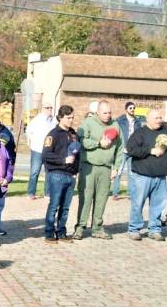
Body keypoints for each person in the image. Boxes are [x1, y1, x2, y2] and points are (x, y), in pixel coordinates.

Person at [126, 108, 167, 241]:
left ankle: (154, 229)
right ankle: (134, 229)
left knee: (158, 205)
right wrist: (150, 150)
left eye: (160, 118)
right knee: (138, 204)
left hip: (160, 176)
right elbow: (131, 149)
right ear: (148, 119)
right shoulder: (140, 133)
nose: (159, 120)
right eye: (156, 118)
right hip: (142, 175)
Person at [74, 101, 123, 240]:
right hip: (89, 166)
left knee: (101, 199)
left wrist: (116, 167)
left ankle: (97, 228)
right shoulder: (88, 123)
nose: (108, 115)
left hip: (106, 168)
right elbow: (81, 141)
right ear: (98, 112)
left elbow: (120, 148)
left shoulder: (115, 125)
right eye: (105, 113)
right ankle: (80, 227)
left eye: (109, 112)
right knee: (86, 198)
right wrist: (98, 143)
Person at [42, 105, 80, 244]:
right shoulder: (53, 134)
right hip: (57, 174)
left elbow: (78, 153)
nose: (71, 120)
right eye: (68, 118)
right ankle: (49, 233)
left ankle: (62, 232)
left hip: (70, 175)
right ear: (60, 117)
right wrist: (63, 160)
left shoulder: (73, 134)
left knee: (65, 207)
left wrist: (76, 171)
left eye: (72, 117)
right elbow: (46, 155)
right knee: (54, 205)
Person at [0, 105, 16, 236]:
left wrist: (8, 175)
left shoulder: (5, 132)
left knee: (0, 205)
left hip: (3, 176)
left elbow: (10, 154)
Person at [112, 101, 144, 200]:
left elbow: (140, 135)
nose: (133, 110)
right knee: (119, 171)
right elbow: (116, 132)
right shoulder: (120, 120)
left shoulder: (138, 122)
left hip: (132, 150)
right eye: (130, 108)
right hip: (122, 149)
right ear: (126, 109)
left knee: (131, 173)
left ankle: (130, 192)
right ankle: (115, 193)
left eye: (134, 108)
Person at [26, 102, 56, 200]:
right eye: (47, 108)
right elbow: (28, 131)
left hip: (49, 151)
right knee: (34, 172)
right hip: (37, 150)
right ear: (42, 109)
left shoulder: (53, 120)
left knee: (49, 172)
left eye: (51, 108)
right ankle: (31, 193)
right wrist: (30, 143)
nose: (49, 110)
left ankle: (47, 193)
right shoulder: (37, 120)